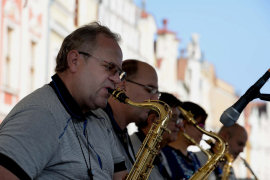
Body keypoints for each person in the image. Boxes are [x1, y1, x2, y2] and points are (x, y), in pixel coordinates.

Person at [0, 22, 128, 180]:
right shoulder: (39, 115)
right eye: (110, 68)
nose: (117, 80)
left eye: (119, 73)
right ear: (74, 61)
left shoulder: (100, 117)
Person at [103, 59, 160, 171]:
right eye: (150, 89)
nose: (155, 100)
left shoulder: (122, 133)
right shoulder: (96, 126)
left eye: (157, 93)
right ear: (122, 85)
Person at [130, 92, 182, 180]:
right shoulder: (131, 150)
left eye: (178, 119)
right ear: (153, 120)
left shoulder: (160, 153)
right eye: (173, 118)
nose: (180, 126)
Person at [161, 101, 208, 179]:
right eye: (200, 125)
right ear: (183, 123)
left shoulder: (193, 157)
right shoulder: (164, 152)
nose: (203, 131)